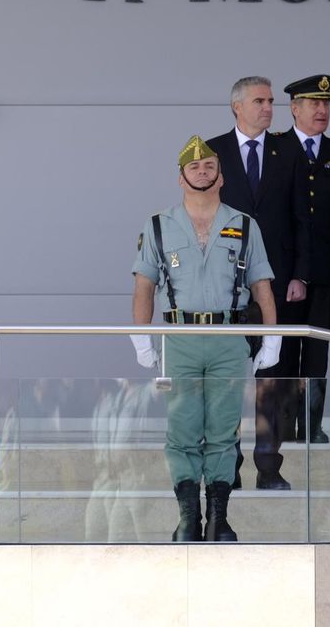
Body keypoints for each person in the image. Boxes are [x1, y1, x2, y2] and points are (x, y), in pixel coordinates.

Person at [130, 135, 279, 542]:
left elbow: (261, 282)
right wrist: (141, 338)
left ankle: (219, 517)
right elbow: (144, 285)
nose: (202, 172)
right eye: (193, 168)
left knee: (224, 430)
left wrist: (272, 337)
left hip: (230, 336)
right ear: (180, 177)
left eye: (209, 167)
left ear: (221, 175)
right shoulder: (159, 224)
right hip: (179, 336)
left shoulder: (244, 224)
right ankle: (186, 517)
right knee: (181, 429)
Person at [206, 76, 309, 490]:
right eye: (259, 101)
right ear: (236, 106)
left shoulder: (289, 151)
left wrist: (300, 273)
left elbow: (303, 217)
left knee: (273, 379)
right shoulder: (212, 151)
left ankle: (269, 465)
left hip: (277, 282)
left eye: (270, 101)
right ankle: (226, 467)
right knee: (228, 379)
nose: (268, 107)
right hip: (225, 287)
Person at [270, 74, 330, 442]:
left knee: (318, 354)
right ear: (294, 108)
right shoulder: (275, 147)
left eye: (326, 104)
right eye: (314, 104)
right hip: (284, 273)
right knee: (283, 352)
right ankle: (282, 427)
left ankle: (312, 426)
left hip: (323, 272)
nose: (322, 110)